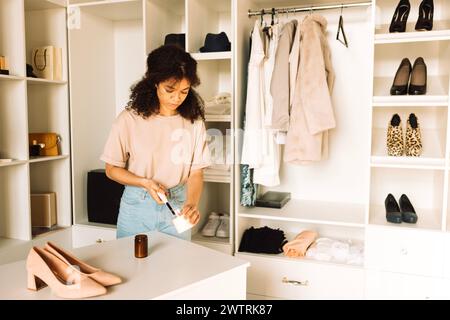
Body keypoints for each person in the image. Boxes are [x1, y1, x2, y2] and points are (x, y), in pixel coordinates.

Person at [100, 45, 211, 240]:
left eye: (184, 91)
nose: (177, 97)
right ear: (154, 83)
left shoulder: (194, 122)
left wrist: (191, 204)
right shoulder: (129, 120)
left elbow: (196, 172)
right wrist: (144, 183)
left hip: (177, 206)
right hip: (136, 207)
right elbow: (112, 169)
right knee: (130, 266)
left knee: (177, 268)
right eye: (170, 89)